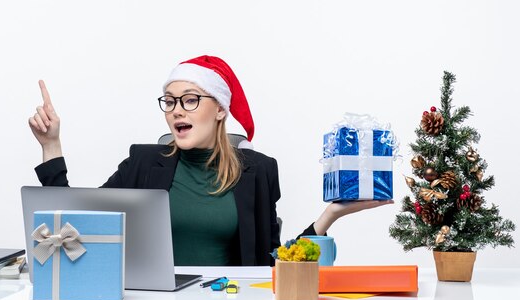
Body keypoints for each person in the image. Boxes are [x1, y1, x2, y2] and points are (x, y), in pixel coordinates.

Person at [29, 55, 392, 266]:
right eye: (169, 101)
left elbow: (273, 266)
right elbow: (74, 229)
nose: (175, 111)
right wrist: (51, 146)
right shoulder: (142, 162)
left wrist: (330, 216)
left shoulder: (258, 171)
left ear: (219, 109)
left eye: (190, 100)